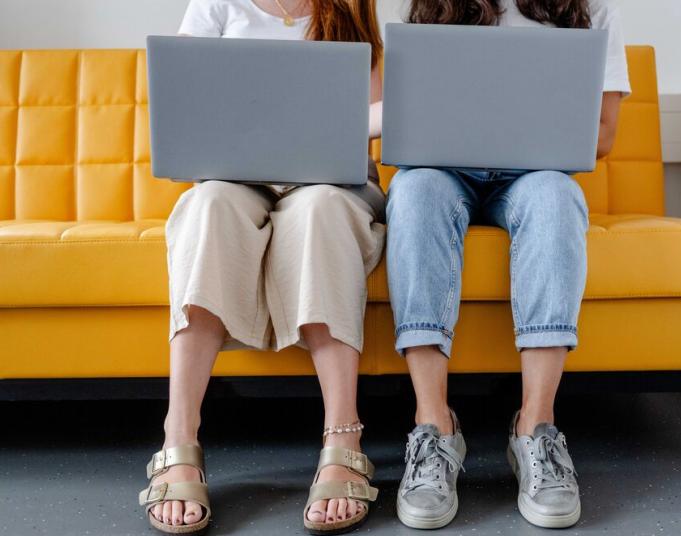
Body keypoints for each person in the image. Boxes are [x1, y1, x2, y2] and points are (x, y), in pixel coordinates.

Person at [137, 1, 385, 534]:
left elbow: (374, 110)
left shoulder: (352, 5)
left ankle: (343, 437)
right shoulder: (216, 6)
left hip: (329, 180)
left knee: (321, 212)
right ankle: (178, 437)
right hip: (233, 177)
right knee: (207, 209)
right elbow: (184, 107)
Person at [382, 0, 631, 529]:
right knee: (413, 189)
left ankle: (535, 430)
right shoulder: (431, 8)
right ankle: (434, 429)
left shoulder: (589, 10)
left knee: (555, 198)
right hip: (444, 168)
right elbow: (405, 111)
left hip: (535, 171)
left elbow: (606, 133)